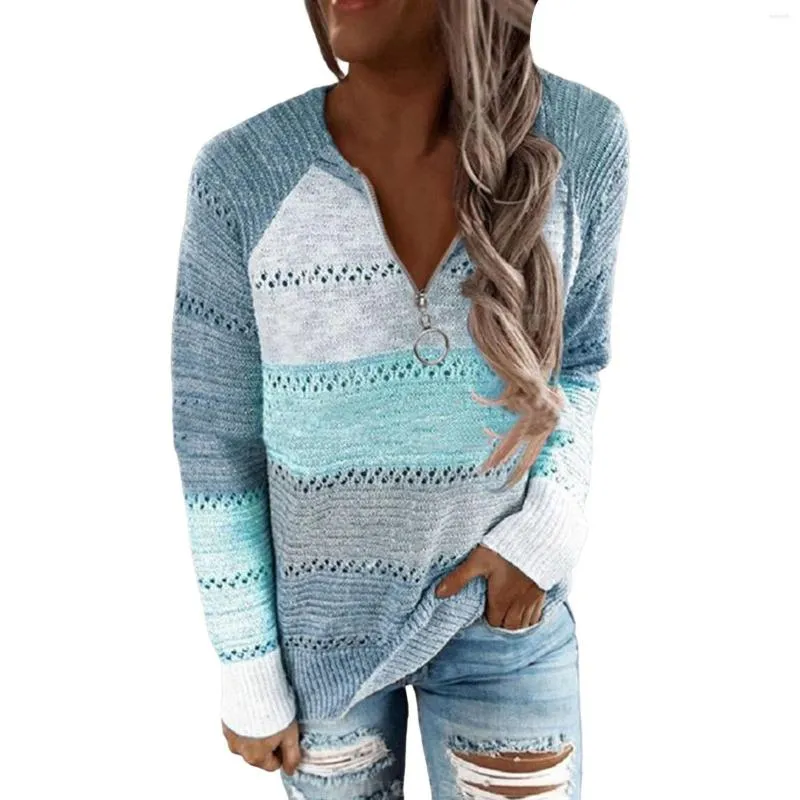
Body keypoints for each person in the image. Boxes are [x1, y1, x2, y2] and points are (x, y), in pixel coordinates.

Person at [170, 0, 629, 797]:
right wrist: (246, 661)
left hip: (502, 620)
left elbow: (579, 360)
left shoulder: (582, 137)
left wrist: (545, 534)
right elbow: (215, 438)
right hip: (321, 644)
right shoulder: (243, 174)